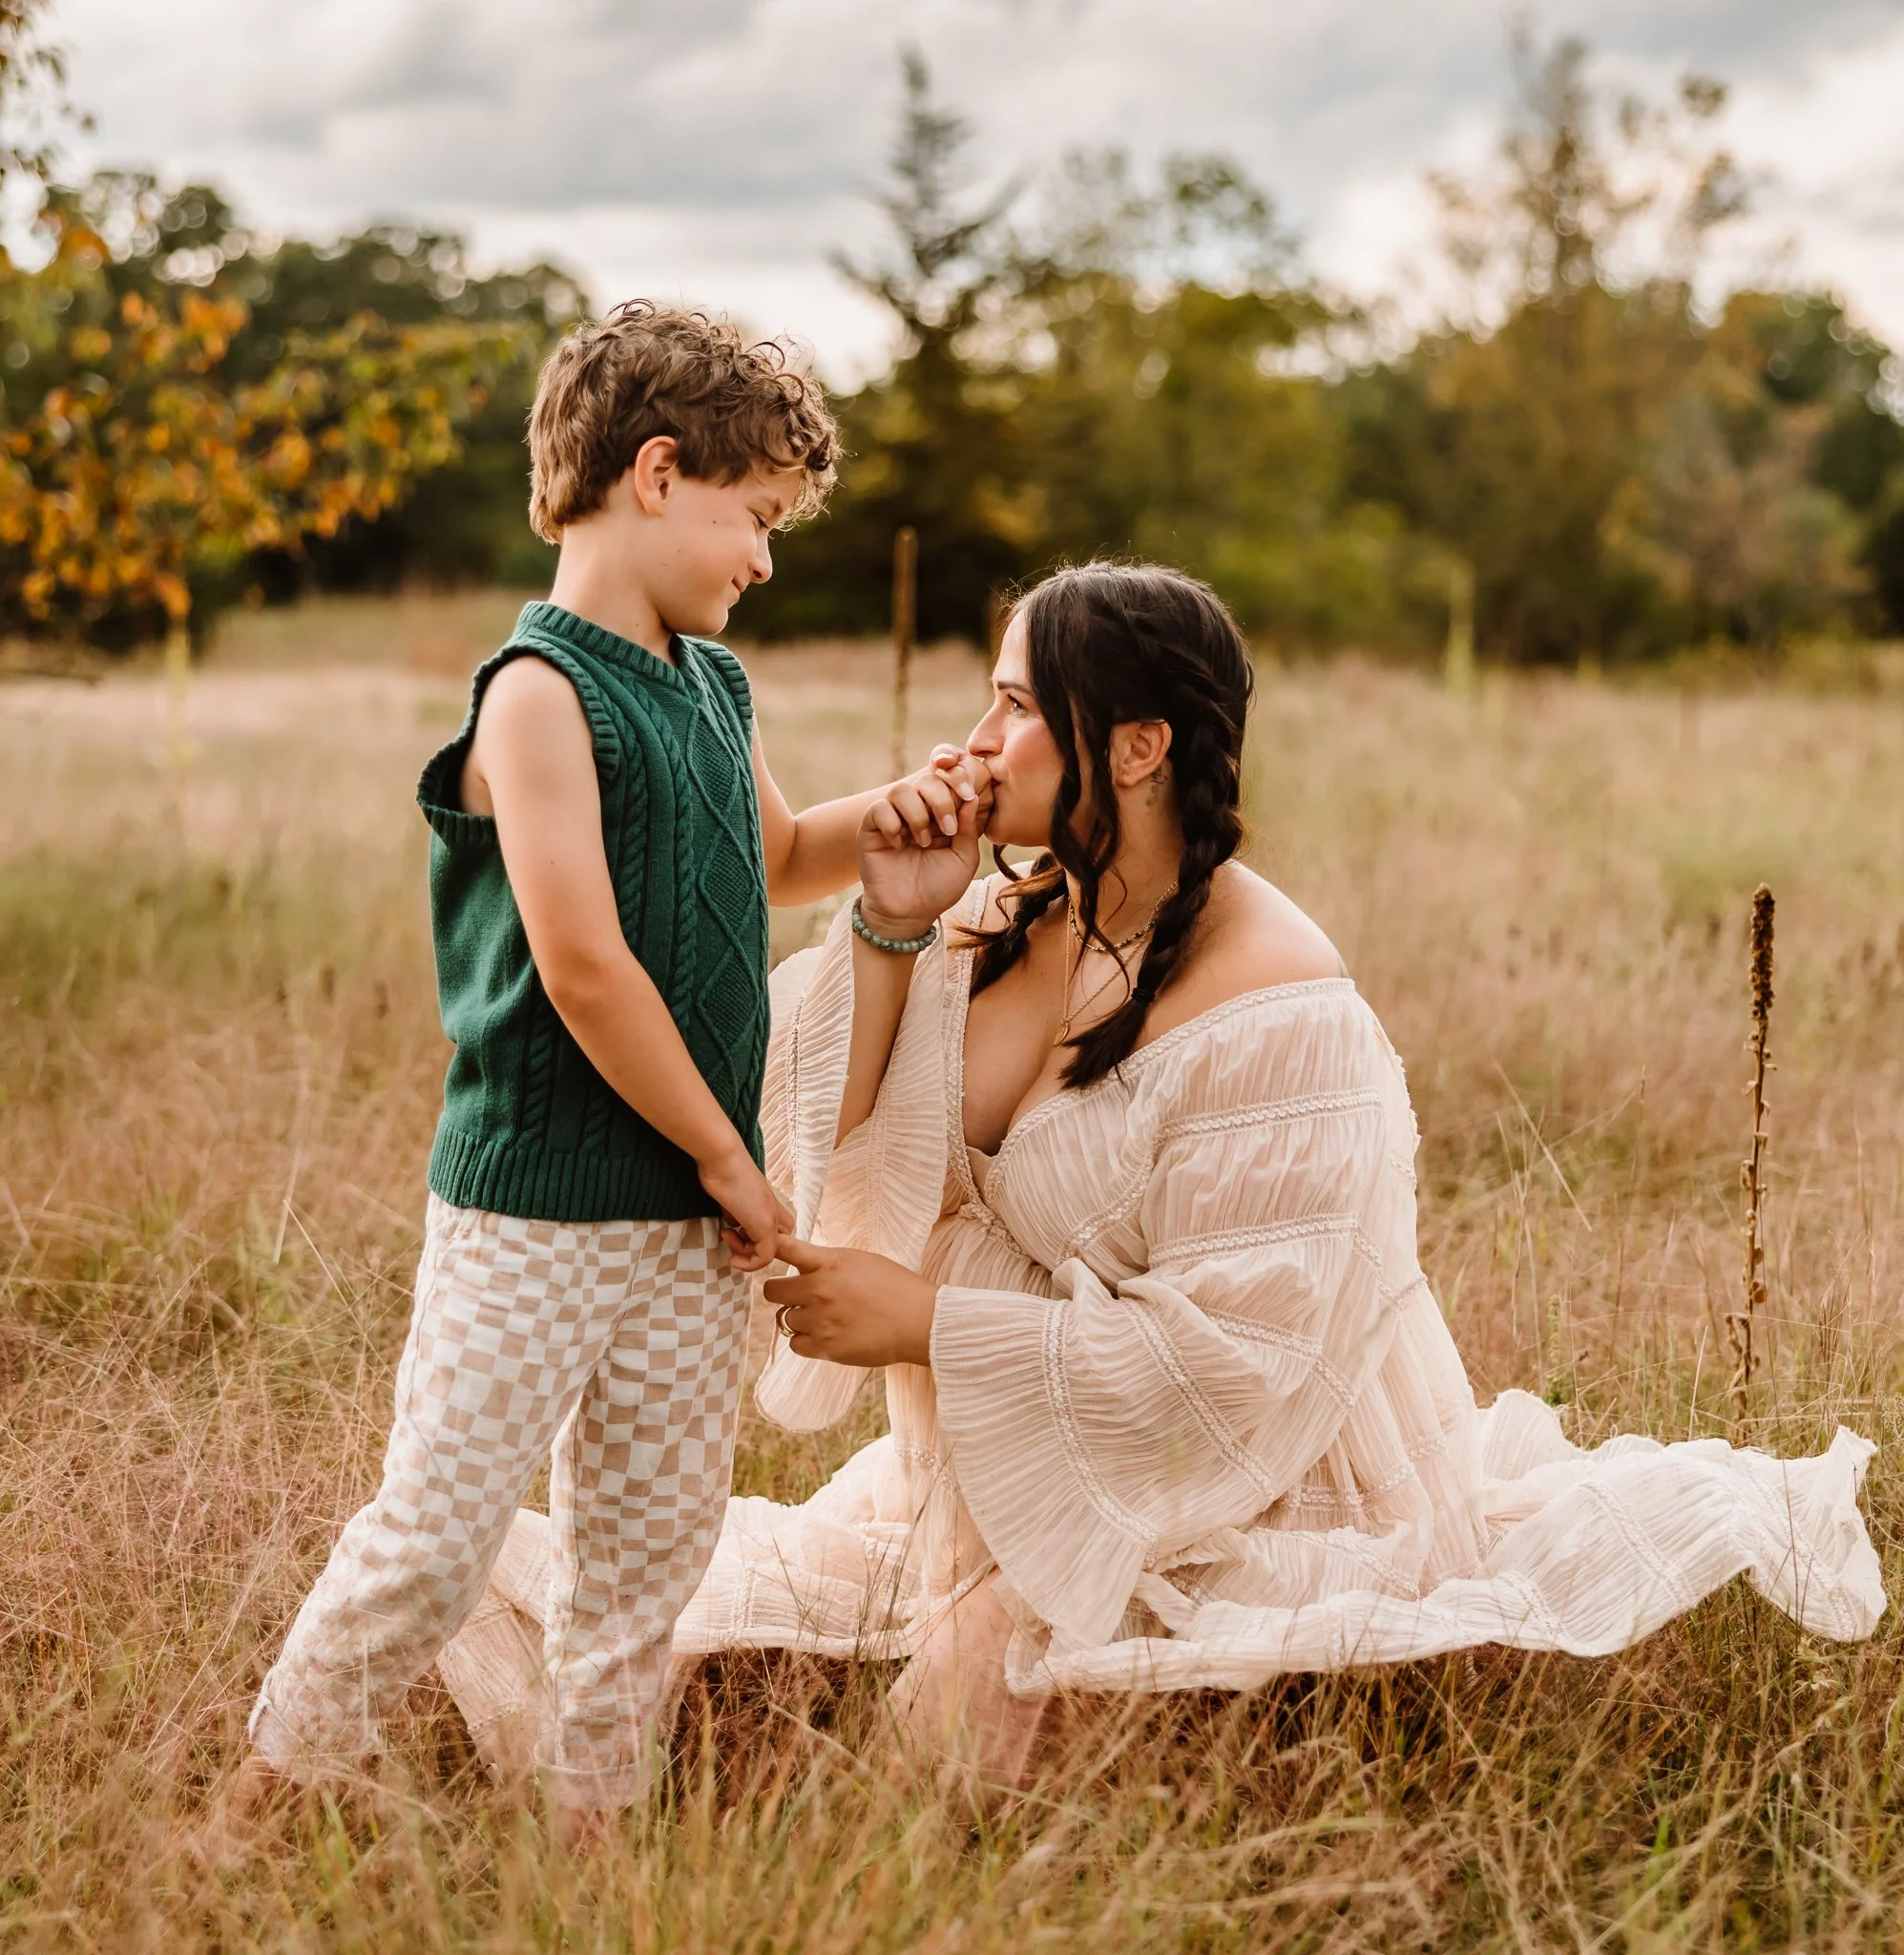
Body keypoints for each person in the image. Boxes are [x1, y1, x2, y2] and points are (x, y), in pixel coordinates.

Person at [441, 560, 1884, 1795]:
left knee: (939, 1736)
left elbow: (1241, 1367)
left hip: (1234, 1495)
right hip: (1003, 1465)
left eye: (1014, 704)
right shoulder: (1010, 909)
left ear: (1132, 749)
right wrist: (887, 930)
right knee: (606, 1654)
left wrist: (927, 1324)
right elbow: (833, 1159)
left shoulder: (1284, 1017)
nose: (975, 738)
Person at [238, 301, 982, 1824]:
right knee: (440, 1533)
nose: (764, 559)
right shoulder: (536, 694)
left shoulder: (713, 689)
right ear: (655, 474)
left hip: (687, 1240)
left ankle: (595, 1842)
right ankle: (270, 1789)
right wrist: (726, 1153)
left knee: (644, 1565)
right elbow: (579, 959)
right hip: (542, 1211)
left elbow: (773, 855)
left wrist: (907, 815)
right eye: (754, 518)